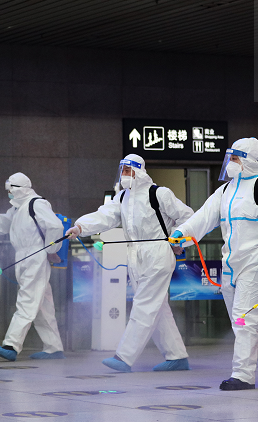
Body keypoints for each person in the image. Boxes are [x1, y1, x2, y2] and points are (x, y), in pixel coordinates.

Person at [172, 137, 258, 390]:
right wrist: (182, 233)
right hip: (231, 265)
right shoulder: (226, 190)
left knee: (244, 317)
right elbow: (204, 217)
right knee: (244, 320)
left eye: (235, 158)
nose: (230, 163)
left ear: (248, 160)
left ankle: (243, 375)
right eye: (230, 158)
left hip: (257, 264)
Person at [66, 154, 194, 372]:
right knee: (157, 308)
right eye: (122, 170)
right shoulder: (122, 197)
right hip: (135, 257)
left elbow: (188, 216)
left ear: (139, 171)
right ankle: (177, 356)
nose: (124, 174)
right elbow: (104, 216)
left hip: (158, 254)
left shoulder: (159, 193)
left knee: (144, 304)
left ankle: (124, 357)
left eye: (128, 170)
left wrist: (177, 240)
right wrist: (80, 227)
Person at [0, 172, 65, 361]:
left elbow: (56, 226)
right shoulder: (17, 208)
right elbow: (2, 223)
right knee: (43, 305)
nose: (9, 194)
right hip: (25, 258)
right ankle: (54, 348)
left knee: (27, 301)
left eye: (10, 190)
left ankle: (11, 345)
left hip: (35, 257)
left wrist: (50, 249)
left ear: (19, 189)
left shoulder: (37, 203)